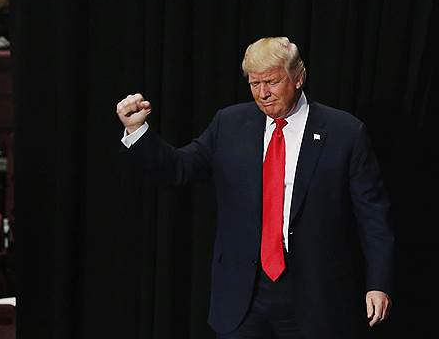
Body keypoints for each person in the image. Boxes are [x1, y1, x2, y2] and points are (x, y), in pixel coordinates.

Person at [115, 37, 394, 339]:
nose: (263, 94)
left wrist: (378, 283)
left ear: (299, 78)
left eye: (272, 82)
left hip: (314, 294)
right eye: (254, 83)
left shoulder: (345, 132)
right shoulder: (230, 124)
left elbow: (373, 216)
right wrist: (137, 130)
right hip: (242, 295)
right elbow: (180, 168)